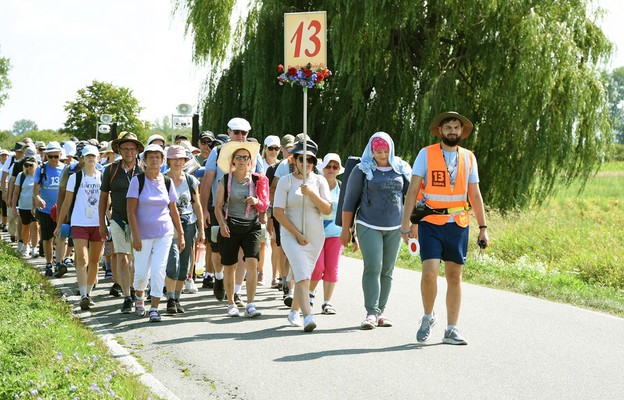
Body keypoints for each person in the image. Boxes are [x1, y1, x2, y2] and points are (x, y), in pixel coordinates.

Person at [401, 111, 488, 345]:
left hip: (458, 224)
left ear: (462, 132)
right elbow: (413, 191)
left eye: (456, 128)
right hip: (429, 221)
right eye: (448, 127)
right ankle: (428, 316)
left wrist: (483, 226)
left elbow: (475, 194)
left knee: (454, 276)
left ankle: (451, 329)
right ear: (440, 131)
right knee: (429, 273)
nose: (452, 131)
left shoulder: (469, 157)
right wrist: (407, 224)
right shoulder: (426, 154)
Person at [341, 132, 412, 330]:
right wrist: (346, 230)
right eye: (378, 149)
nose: (382, 153)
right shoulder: (362, 169)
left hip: (395, 228)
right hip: (368, 225)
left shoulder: (401, 168)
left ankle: (381, 312)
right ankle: (371, 312)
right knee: (373, 266)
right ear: (372, 150)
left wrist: (412, 225)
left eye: (385, 149)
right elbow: (349, 202)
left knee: (387, 271)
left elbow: (413, 197)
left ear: (391, 148)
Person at [199, 117, 263, 303]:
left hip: (246, 210)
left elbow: (261, 182)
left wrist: (261, 208)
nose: (240, 136)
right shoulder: (217, 152)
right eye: (236, 132)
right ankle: (219, 278)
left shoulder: (254, 152)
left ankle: (236, 291)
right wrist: (204, 209)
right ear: (229, 132)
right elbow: (207, 180)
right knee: (218, 253)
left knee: (243, 254)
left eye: (244, 133)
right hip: (220, 208)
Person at [273, 139, 332, 331]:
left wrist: (312, 194)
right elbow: (278, 212)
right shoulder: (285, 181)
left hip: (315, 237)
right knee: (303, 275)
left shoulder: (319, 180)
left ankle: (293, 311)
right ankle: (308, 316)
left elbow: (327, 210)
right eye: (302, 159)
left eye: (311, 160)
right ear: (294, 160)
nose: (306, 163)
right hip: (291, 235)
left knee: (303, 275)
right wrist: (297, 234)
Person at [127, 144, 185, 322]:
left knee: (159, 270)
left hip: (164, 233)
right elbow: (130, 211)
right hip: (142, 234)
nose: (154, 159)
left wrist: (181, 234)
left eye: (158, 156)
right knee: (142, 273)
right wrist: (135, 236)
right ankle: (139, 296)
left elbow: (173, 210)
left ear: (162, 160)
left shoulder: (167, 181)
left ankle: (154, 308)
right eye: (150, 156)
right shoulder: (138, 180)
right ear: (144, 160)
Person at [214, 140, 269, 317]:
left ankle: (251, 304)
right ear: (233, 161)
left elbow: (265, 204)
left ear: (250, 161)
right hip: (230, 225)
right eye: (239, 157)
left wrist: (256, 201)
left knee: (252, 262)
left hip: (251, 225)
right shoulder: (224, 180)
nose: (243, 161)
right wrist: (222, 224)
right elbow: (217, 206)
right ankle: (231, 304)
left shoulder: (257, 180)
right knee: (230, 266)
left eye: (246, 157)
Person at [53, 145, 105, 310]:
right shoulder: (74, 178)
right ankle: (83, 294)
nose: (90, 158)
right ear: (82, 158)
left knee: (95, 261)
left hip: (98, 223)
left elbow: (106, 201)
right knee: (82, 259)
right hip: (79, 222)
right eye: (87, 156)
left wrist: (109, 220)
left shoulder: (102, 177)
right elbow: (66, 203)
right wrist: (59, 225)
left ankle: (88, 293)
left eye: (93, 156)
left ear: (98, 158)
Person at [99, 132, 144, 313]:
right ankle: (127, 296)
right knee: (123, 259)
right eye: (125, 148)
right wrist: (102, 223)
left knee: (137, 260)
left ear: (137, 151)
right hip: (117, 218)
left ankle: (135, 290)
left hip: (140, 220)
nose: (129, 152)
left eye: (132, 148)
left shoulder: (143, 170)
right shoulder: (111, 170)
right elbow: (103, 197)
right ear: (118, 150)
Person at [164, 145, 204, 314]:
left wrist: (201, 228)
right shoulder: (162, 179)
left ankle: (177, 298)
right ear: (169, 161)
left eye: (180, 159)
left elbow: (197, 204)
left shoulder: (190, 180)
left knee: (185, 262)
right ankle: (170, 298)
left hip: (188, 224)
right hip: (169, 224)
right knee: (172, 261)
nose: (177, 162)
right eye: (174, 159)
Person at [309, 153, 345, 314]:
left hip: (336, 233)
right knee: (317, 267)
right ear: (322, 168)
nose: (331, 169)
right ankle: (309, 294)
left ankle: (327, 302)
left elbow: (348, 212)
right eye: (328, 166)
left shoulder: (342, 188)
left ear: (338, 170)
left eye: (335, 167)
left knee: (332, 268)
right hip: (315, 232)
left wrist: (352, 233)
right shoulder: (314, 184)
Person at [33, 141, 66, 276]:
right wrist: (38, 199)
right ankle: (48, 263)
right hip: (45, 210)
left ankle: (59, 263)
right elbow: (35, 190)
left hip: (61, 210)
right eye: (50, 156)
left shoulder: (65, 169)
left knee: (61, 237)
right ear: (46, 156)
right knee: (47, 238)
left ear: (60, 155)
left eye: (56, 156)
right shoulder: (40, 169)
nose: (53, 159)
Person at [12, 156, 39, 258]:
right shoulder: (21, 175)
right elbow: (16, 192)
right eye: (26, 165)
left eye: (30, 165)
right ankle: (25, 245)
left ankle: (34, 248)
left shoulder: (38, 175)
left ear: (35, 165)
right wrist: (14, 206)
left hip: (35, 206)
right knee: (25, 226)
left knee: (35, 226)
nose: (28, 167)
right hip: (23, 205)